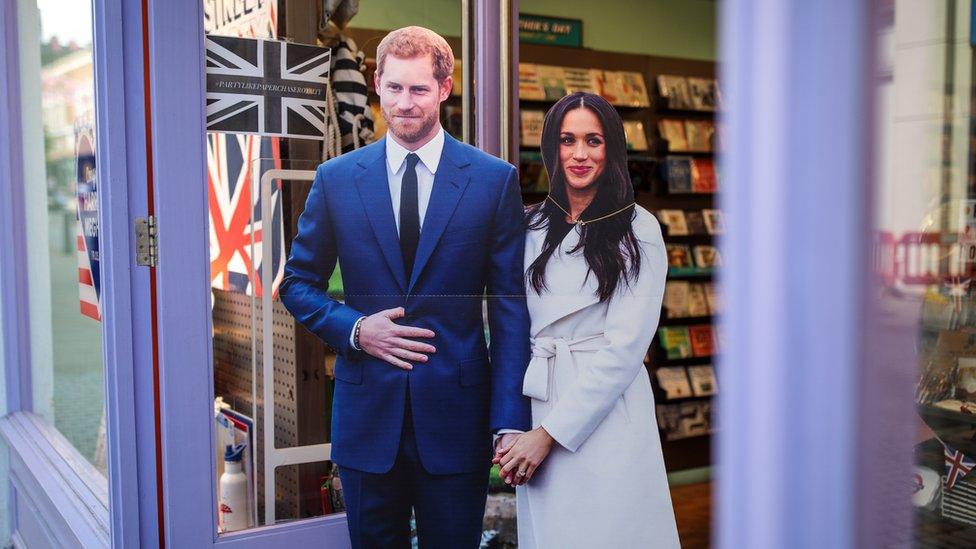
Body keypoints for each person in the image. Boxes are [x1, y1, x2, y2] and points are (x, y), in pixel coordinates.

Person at [279, 26, 531, 548]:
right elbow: (297, 284)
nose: (405, 103)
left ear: (444, 87)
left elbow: (510, 307)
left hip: (457, 421)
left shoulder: (493, 179)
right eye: (394, 88)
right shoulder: (336, 178)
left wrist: (509, 419)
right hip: (366, 418)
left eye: (419, 89)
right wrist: (355, 330)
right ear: (376, 84)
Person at [493, 92, 681, 548]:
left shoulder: (640, 227)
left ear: (612, 148)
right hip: (540, 402)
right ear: (550, 148)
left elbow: (625, 348)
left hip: (605, 413)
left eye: (593, 140)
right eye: (567, 140)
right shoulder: (532, 224)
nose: (580, 154)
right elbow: (513, 326)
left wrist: (550, 434)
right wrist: (512, 426)